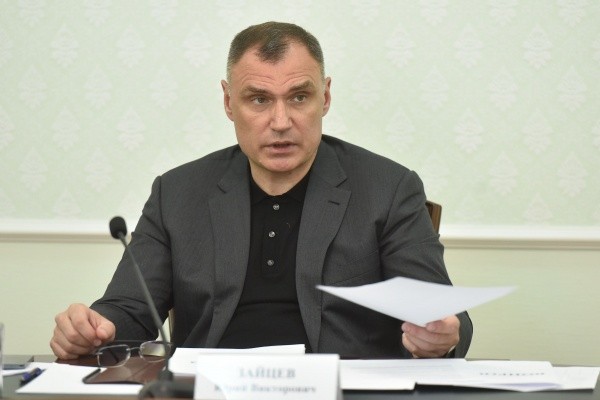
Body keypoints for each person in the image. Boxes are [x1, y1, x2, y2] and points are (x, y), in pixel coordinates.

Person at [50, 21, 472, 360]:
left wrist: (442, 334)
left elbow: (445, 314)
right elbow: (128, 309)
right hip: (211, 388)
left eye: (299, 97)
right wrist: (94, 327)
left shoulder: (388, 188)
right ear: (228, 102)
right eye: (258, 100)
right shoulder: (176, 193)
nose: (281, 121)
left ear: (325, 97)